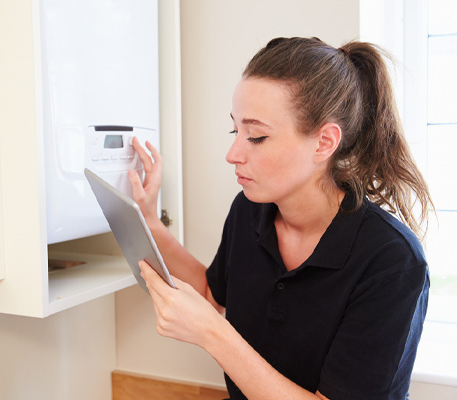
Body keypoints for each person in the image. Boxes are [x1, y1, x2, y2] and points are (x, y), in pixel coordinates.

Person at [127, 37, 433, 400]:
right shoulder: (249, 210)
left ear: (324, 143)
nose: (233, 153)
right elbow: (212, 293)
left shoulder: (392, 261)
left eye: (256, 137)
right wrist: (150, 221)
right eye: (235, 130)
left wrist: (214, 334)